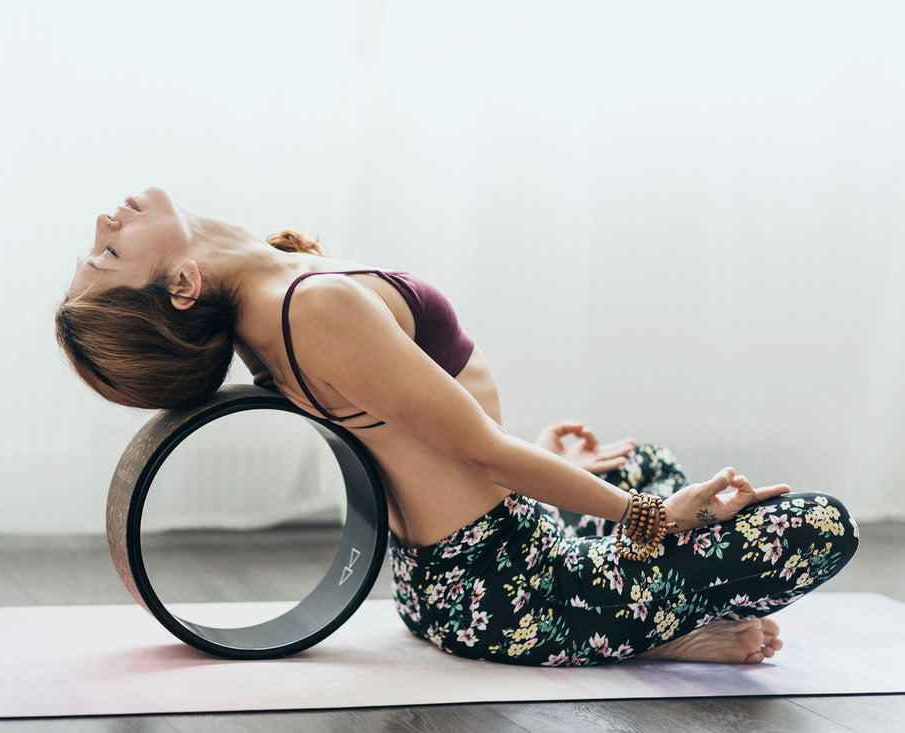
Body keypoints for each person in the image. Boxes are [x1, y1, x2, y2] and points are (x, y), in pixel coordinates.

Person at [56, 186, 859, 666]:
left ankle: (632, 616)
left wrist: (536, 467)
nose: (105, 223)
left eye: (96, 249)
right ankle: (644, 633)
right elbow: (476, 447)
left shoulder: (274, 297)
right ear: (183, 286)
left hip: (474, 568)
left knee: (641, 459)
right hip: (509, 592)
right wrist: (658, 518)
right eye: (107, 254)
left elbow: (415, 436)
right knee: (818, 525)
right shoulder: (310, 306)